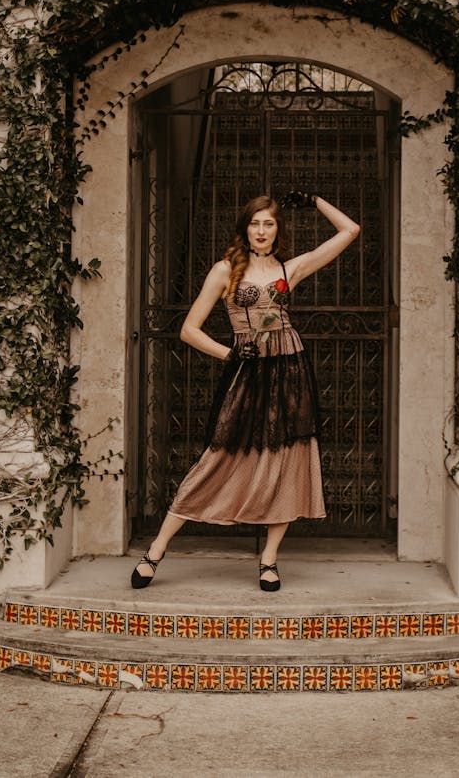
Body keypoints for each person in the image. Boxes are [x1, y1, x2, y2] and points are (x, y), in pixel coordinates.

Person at [130, 190, 360, 592]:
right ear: (245, 227)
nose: (261, 230)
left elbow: (350, 229)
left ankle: (269, 559)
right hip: (248, 372)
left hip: (290, 370)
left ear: (277, 230)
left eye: (269, 223)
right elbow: (188, 330)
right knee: (217, 458)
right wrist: (231, 354)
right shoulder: (225, 270)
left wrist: (315, 201)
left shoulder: (291, 268)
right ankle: (156, 551)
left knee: (288, 460)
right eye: (255, 223)